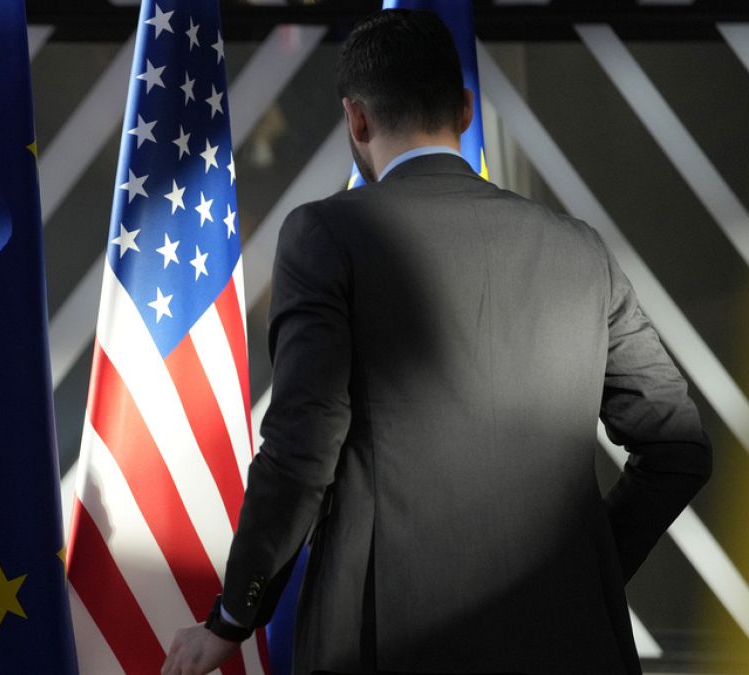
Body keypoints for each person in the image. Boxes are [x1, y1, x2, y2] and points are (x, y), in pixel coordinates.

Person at [162, 9, 711, 675]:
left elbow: (303, 450)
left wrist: (234, 614)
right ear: (467, 107)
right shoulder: (580, 251)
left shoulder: (324, 236)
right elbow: (677, 448)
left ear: (356, 120)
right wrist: (581, 574)